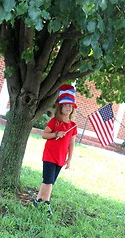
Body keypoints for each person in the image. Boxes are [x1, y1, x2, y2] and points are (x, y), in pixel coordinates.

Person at [33, 84, 77, 215]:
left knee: (49, 181)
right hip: (49, 156)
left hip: (60, 158)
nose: (68, 108)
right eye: (65, 105)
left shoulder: (73, 126)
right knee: (48, 181)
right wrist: (56, 134)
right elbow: (44, 135)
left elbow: (72, 144)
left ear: (72, 109)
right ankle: (46, 204)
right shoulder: (54, 121)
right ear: (60, 107)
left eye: (70, 106)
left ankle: (37, 201)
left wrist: (69, 160)